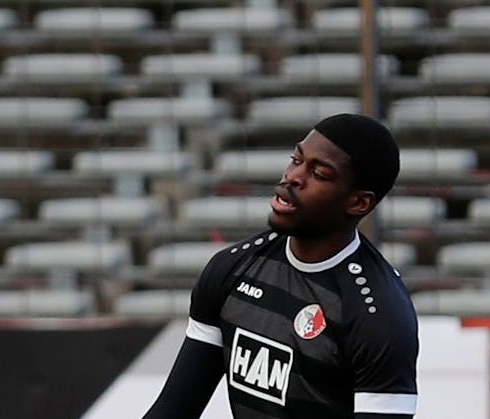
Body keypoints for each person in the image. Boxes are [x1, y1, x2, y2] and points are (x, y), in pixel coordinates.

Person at [143, 113, 419, 419]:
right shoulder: (233, 267)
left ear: (358, 203)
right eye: (296, 160)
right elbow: (174, 409)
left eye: (319, 174)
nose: (293, 177)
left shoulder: (378, 315)